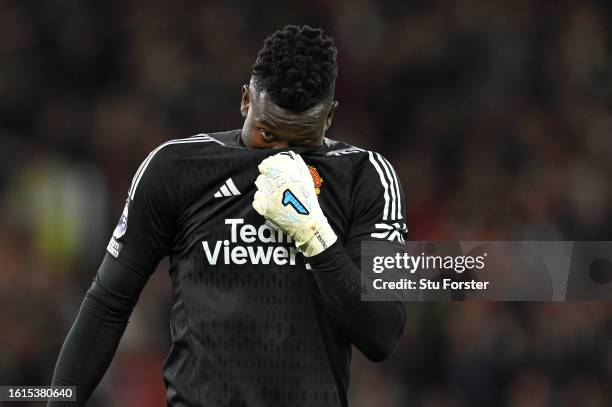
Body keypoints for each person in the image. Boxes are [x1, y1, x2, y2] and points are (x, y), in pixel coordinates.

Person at [50, 24, 407, 407]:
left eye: (303, 142)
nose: (281, 157)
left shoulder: (366, 176)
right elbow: (108, 303)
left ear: (330, 118)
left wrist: (314, 235)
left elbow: (383, 334)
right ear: (245, 102)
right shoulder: (176, 168)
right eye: (267, 135)